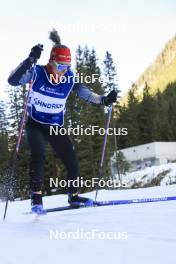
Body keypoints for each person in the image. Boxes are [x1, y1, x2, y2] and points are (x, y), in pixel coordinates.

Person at [8, 29, 117, 214]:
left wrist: (104, 100)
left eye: (66, 67)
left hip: (55, 126)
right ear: (50, 62)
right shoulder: (37, 72)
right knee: (39, 155)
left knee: (71, 158)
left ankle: (73, 196)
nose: (62, 72)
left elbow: (87, 94)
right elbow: (13, 80)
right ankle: (36, 198)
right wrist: (29, 60)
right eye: (59, 67)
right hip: (36, 124)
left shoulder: (69, 78)